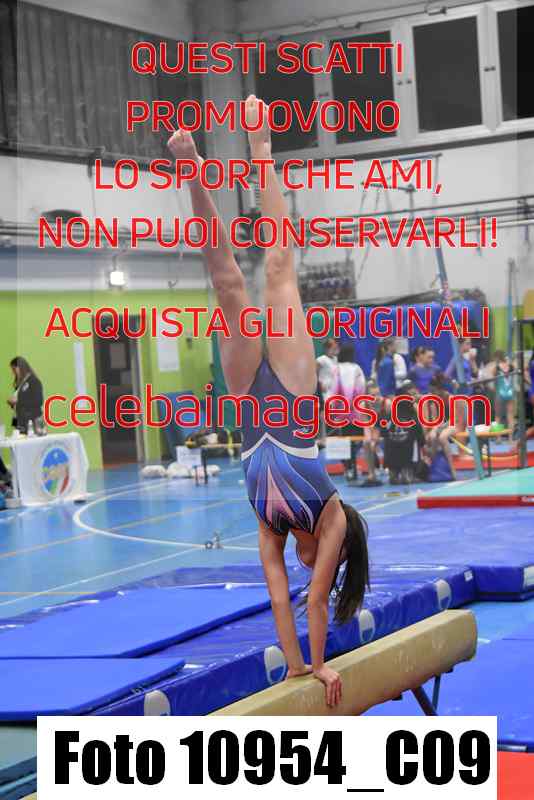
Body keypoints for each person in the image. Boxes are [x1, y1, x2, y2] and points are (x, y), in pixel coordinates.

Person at [167, 96, 369, 708]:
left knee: (227, 282)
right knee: (278, 267)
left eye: (314, 562)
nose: (313, 565)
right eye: (324, 562)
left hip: (249, 403)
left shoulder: (268, 522)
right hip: (293, 392)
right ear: (337, 551)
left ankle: (190, 169)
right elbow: (314, 599)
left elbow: (281, 596)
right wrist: (319, 668)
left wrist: (294, 668)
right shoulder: (332, 517)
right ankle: (261, 149)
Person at [8, 357, 44, 434]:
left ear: (21, 367)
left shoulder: (33, 381)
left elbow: (39, 401)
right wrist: (12, 403)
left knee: (35, 440)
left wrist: (18, 401)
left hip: (33, 420)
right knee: (20, 440)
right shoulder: (19, 384)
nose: (13, 372)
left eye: (14, 369)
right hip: (20, 421)